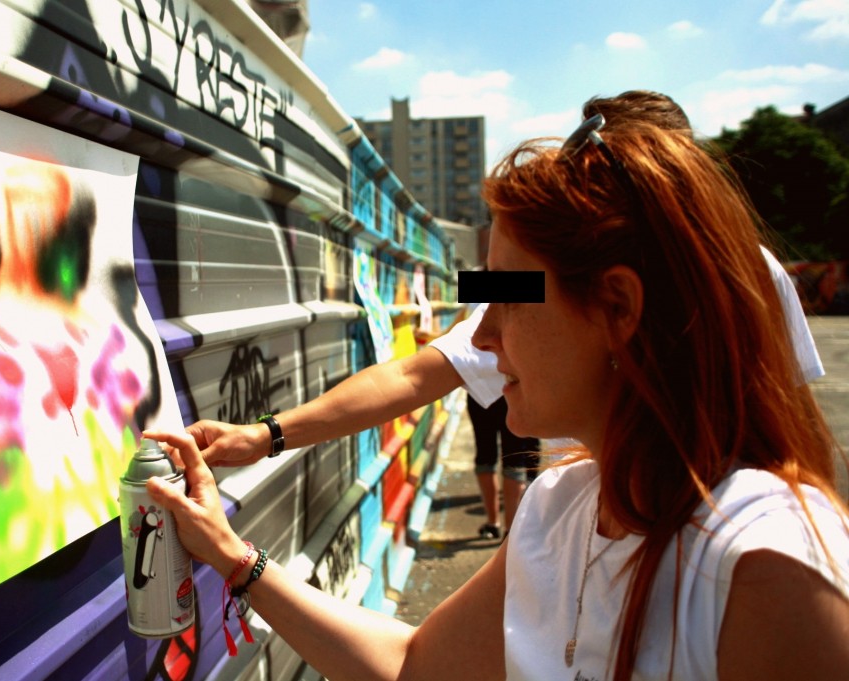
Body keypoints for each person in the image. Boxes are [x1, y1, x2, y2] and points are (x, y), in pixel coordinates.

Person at [144, 113, 849, 679]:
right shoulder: (556, 510)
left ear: (618, 307)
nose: (480, 338)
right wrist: (235, 555)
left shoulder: (765, 572)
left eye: (509, 296)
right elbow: (414, 664)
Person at [184, 91, 823, 483]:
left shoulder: (751, 270)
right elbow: (418, 373)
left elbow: (790, 426)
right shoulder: (564, 512)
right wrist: (265, 436)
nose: (490, 332)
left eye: (614, 164)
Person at [467, 393, 537, 539]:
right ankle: (509, 531)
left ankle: (494, 524)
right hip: (512, 394)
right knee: (512, 460)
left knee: (487, 457)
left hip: (480, 392)